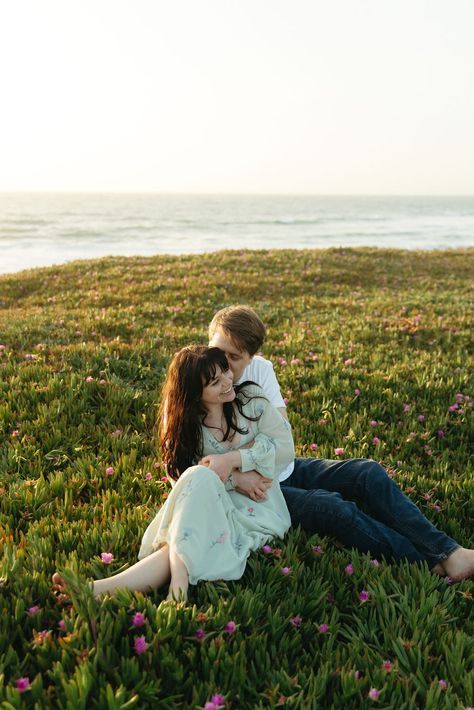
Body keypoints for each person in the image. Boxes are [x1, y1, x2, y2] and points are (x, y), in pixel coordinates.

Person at [208, 305, 474, 581]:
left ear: (251, 358)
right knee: (335, 509)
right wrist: (237, 479)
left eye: (234, 357)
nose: (223, 364)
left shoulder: (261, 370)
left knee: (367, 472)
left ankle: (450, 553)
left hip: (283, 469)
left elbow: (281, 437)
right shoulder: (193, 379)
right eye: (218, 351)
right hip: (258, 493)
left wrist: (238, 460)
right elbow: (181, 465)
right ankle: (430, 564)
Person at [54, 346, 294, 601]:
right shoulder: (188, 428)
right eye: (215, 382)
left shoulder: (251, 402)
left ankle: (168, 586)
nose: (227, 381)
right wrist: (236, 479)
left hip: (259, 508)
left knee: (187, 519)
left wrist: (231, 459)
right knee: (196, 482)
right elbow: (182, 481)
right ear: (195, 394)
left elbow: (285, 449)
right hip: (213, 502)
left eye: (225, 370)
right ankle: (102, 590)